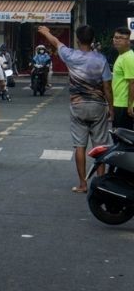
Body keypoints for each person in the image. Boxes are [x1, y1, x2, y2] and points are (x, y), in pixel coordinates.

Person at [38, 24, 113, 194]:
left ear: (78, 40)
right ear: (93, 40)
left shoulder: (70, 55)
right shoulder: (101, 59)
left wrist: (45, 32)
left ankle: (83, 184)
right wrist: (112, 108)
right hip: (98, 106)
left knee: (80, 146)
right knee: (100, 145)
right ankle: (100, 184)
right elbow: (107, 87)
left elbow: (56, 42)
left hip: (77, 106)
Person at [110, 27, 134, 130]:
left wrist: (130, 105)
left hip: (124, 105)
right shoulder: (122, 55)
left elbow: (132, 83)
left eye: (121, 38)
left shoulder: (128, 57)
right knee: (118, 136)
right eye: (115, 37)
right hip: (119, 103)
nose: (117, 40)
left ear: (128, 41)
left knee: (122, 139)